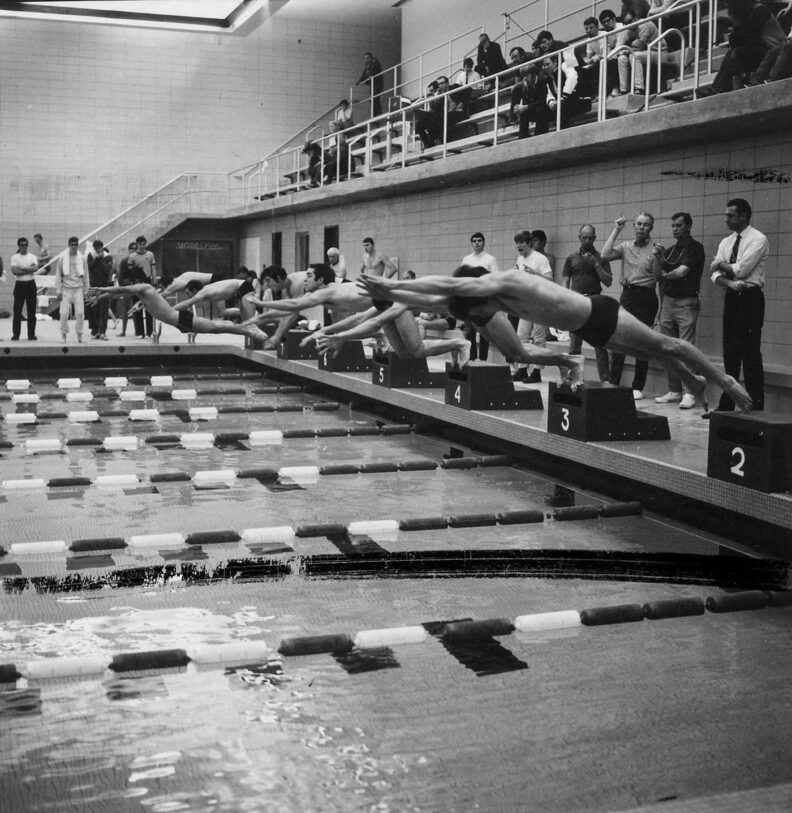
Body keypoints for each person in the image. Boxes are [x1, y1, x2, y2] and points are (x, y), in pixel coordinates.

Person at [358, 266, 752, 410]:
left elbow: (445, 283)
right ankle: (693, 382)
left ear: (478, 295)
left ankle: (724, 382)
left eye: (478, 313)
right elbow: (440, 298)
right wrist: (391, 294)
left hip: (601, 312)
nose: (483, 320)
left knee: (667, 344)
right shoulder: (490, 302)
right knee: (650, 351)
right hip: (589, 330)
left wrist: (390, 283)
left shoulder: (505, 282)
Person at [708, 197, 769, 415]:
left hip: (751, 298)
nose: (726, 218)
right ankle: (727, 405)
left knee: (750, 353)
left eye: (730, 215)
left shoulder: (758, 239)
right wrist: (730, 282)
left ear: (743, 216)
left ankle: (755, 406)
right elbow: (714, 274)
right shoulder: (726, 242)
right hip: (733, 296)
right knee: (730, 353)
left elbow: (743, 270)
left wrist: (721, 264)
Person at [601, 211, 658, 400]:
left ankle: (637, 387)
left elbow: (659, 277)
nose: (641, 227)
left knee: (642, 342)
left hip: (647, 295)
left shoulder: (656, 248)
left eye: (646, 224)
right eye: (638, 224)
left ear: (651, 227)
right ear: (634, 226)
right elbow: (605, 255)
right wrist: (616, 229)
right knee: (619, 339)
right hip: (628, 295)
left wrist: (659, 258)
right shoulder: (625, 246)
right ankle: (613, 381)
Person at [86, 284, 271, 342]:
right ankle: (247, 329)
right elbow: (117, 294)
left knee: (215, 327)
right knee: (215, 328)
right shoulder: (143, 296)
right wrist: (100, 298)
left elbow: (121, 289)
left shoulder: (145, 288)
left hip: (180, 319)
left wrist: (101, 288)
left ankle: (250, 330)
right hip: (177, 322)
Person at [651, 213, 706, 409]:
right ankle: (674, 391)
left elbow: (682, 271)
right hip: (668, 303)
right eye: (673, 225)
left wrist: (665, 274)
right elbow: (657, 276)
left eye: (679, 225)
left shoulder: (695, 248)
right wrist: (658, 258)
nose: (675, 229)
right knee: (667, 348)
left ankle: (689, 392)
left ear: (688, 226)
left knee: (685, 349)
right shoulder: (669, 250)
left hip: (686, 303)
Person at [562, 224, 613, 382]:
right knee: (575, 344)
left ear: (595, 238)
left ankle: (605, 380)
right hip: (577, 302)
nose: (587, 240)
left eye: (590, 237)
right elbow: (566, 279)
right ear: (579, 238)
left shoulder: (602, 257)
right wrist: (566, 296)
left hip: (595, 302)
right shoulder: (571, 258)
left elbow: (609, 281)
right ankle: (572, 378)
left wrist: (596, 264)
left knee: (600, 345)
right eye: (584, 237)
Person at [709, 0, 786, 94]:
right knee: (732, 52)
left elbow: (751, 39)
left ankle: (720, 89)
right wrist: (733, 28)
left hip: (775, 52)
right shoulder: (746, 14)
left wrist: (735, 29)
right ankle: (715, 89)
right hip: (762, 49)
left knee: (738, 53)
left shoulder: (760, 10)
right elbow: (743, 41)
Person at [511, 230, 553, 383]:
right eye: (517, 243)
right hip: (524, 303)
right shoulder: (520, 259)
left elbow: (550, 279)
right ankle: (522, 369)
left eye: (521, 242)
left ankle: (537, 371)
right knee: (521, 337)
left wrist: (536, 273)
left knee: (538, 339)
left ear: (529, 243)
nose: (518, 246)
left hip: (539, 303)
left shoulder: (540, 259)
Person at [461, 231, 499, 361]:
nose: (477, 243)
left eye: (479, 240)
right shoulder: (466, 259)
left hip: (483, 299)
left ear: (483, 243)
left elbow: (495, 278)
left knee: (483, 332)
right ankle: (471, 359)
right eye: (474, 241)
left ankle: (483, 360)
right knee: (470, 331)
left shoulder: (490, 259)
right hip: (469, 299)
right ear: (471, 243)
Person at [173, 267, 259, 322]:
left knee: (251, 322)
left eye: (188, 293)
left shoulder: (202, 292)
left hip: (244, 287)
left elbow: (187, 303)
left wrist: (169, 310)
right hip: (239, 290)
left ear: (195, 290)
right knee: (247, 322)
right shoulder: (205, 291)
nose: (188, 296)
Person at [55, 236, 89, 343]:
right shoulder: (62, 258)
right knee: (64, 313)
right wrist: (58, 290)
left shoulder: (82, 258)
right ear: (69, 245)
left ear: (78, 245)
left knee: (80, 313)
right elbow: (58, 275)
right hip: (66, 289)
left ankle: (79, 334)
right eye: (72, 244)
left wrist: (87, 289)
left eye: (75, 244)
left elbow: (86, 275)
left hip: (78, 288)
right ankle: (63, 334)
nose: (73, 246)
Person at [9, 237, 40, 341]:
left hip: (30, 284)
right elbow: (14, 271)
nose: (24, 247)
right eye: (22, 245)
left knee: (31, 311)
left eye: (26, 245)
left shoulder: (32, 257)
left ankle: (31, 334)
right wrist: (28, 269)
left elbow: (35, 269)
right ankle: (16, 334)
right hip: (20, 285)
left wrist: (21, 268)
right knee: (17, 311)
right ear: (19, 246)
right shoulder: (14, 257)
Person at [87, 239, 114, 340]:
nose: (97, 249)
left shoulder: (108, 256)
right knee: (95, 309)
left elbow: (107, 270)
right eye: (96, 247)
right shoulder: (91, 255)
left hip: (104, 286)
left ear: (102, 247)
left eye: (99, 247)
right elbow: (90, 266)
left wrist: (101, 259)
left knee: (104, 309)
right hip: (94, 285)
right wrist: (97, 259)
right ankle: (97, 330)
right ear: (94, 248)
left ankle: (103, 331)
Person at [356, 52, 384, 118]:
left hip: (377, 83)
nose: (367, 59)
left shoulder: (375, 62)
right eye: (366, 58)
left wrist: (371, 75)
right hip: (372, 83)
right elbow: (364, 73)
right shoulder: (367, 64)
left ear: (371, 57)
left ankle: (377, 114)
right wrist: (359, 81)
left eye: (368, 57)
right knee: (373, 99)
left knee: (375, 98)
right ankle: (374, 114)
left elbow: (375, 70)